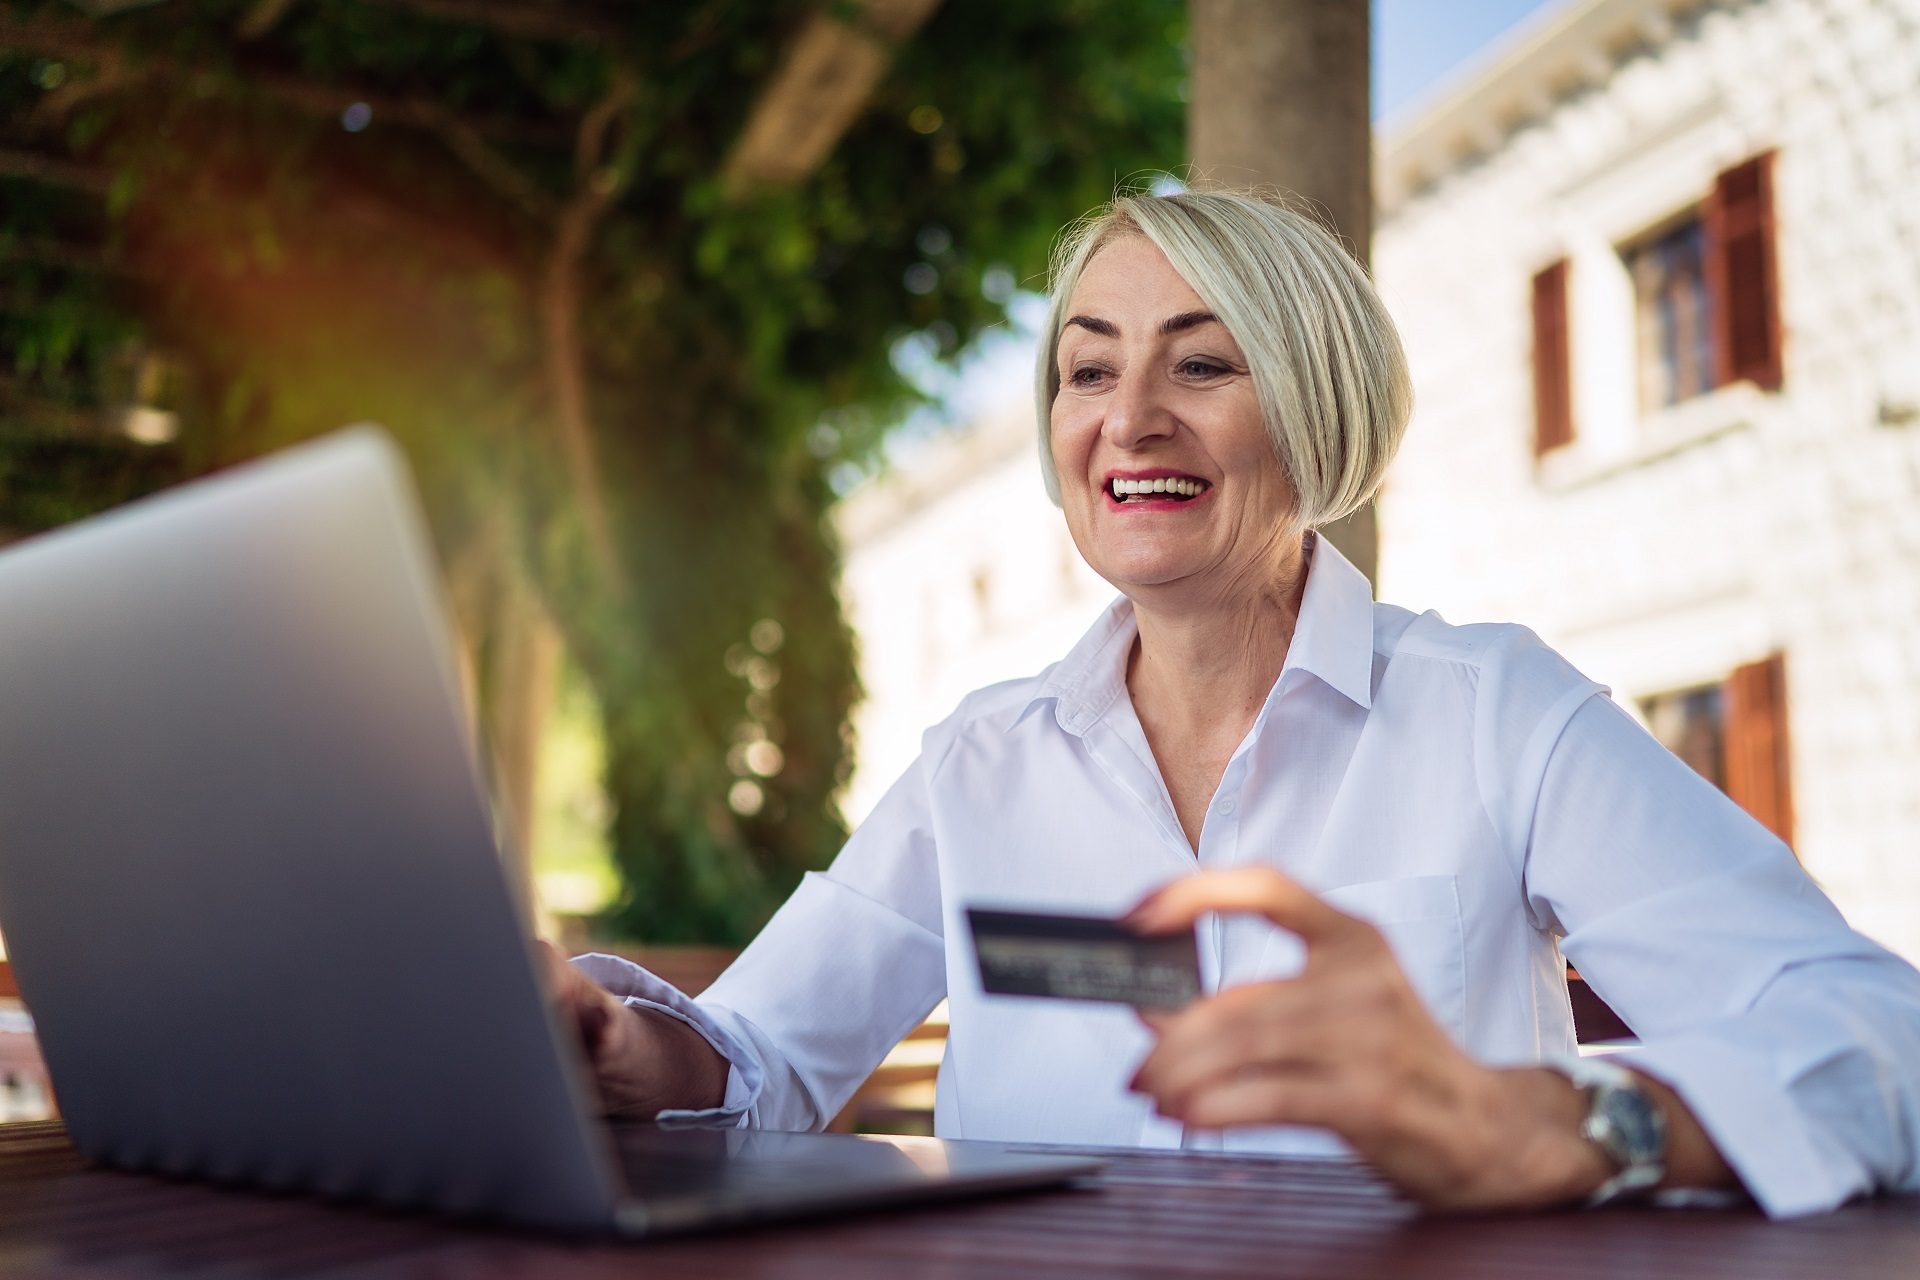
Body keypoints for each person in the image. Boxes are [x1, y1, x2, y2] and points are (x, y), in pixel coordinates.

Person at [543, 188, 1920, 1217]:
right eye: (1089, 369)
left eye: (1202, 364)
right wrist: (615, 1051)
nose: (1128, 418)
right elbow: (762, 1059)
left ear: (1314, 410)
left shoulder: (1497, 713)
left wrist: (1572, 1122)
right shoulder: (980, 762)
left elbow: (1879, 1036)